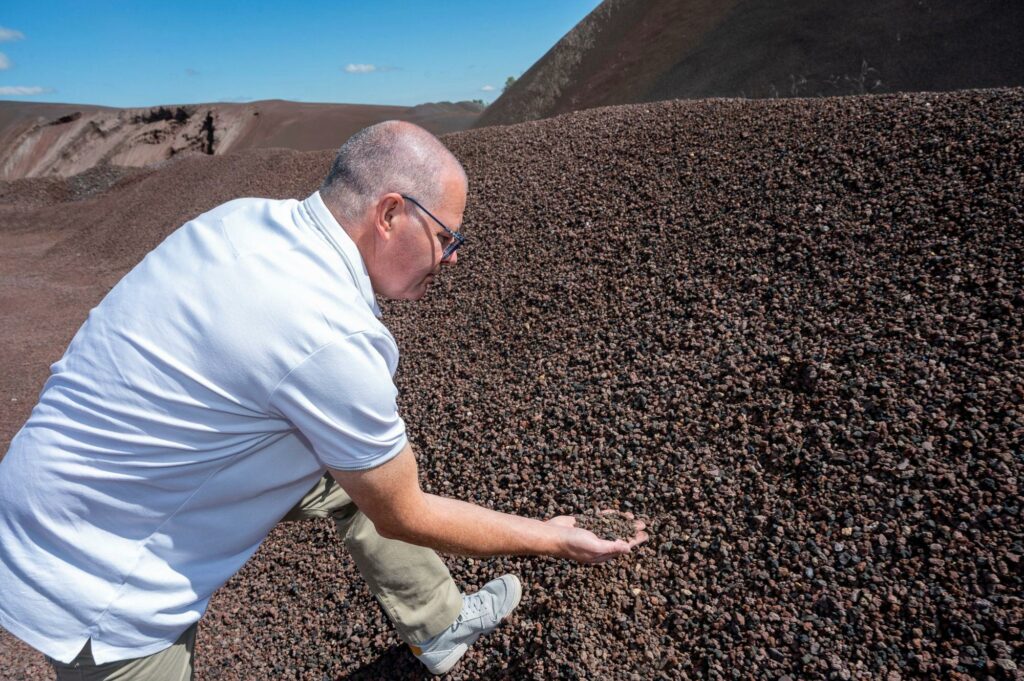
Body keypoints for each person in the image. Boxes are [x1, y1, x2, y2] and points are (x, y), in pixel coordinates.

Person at [0, 121, 647, 679]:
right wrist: (550, 538)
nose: (451, 258)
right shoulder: (328, 332)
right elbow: (403, 511)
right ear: (390, 213)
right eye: (447, 236)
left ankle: (439, 621)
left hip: (62, 480)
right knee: (374, 488)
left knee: (344, 474)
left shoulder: (244, 218)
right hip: (97, 570)